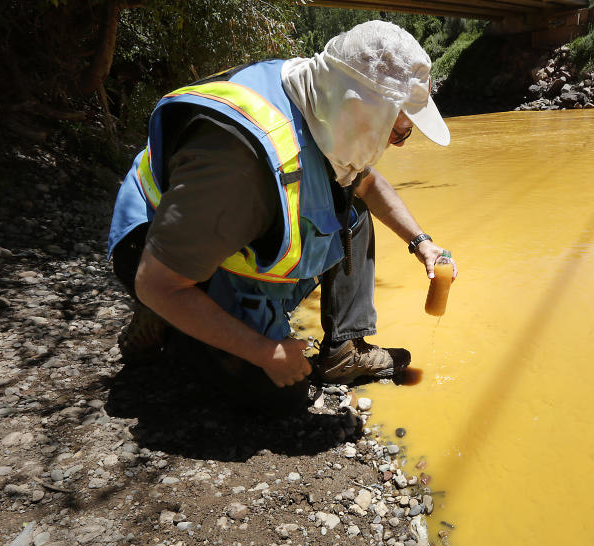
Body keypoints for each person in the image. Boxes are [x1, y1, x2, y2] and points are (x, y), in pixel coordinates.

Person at [107, 21, 456, 410]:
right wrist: (265, 352)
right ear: (363, 115)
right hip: (160, 252)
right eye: (399, 133)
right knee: (281, 395)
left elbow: (366, 185)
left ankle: (343, 350)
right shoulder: (237, 165)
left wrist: (421, 243)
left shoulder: (324, 99)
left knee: (351, 211)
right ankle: (170, 326)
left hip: (218, 227)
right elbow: (156, 282)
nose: (400, 144)